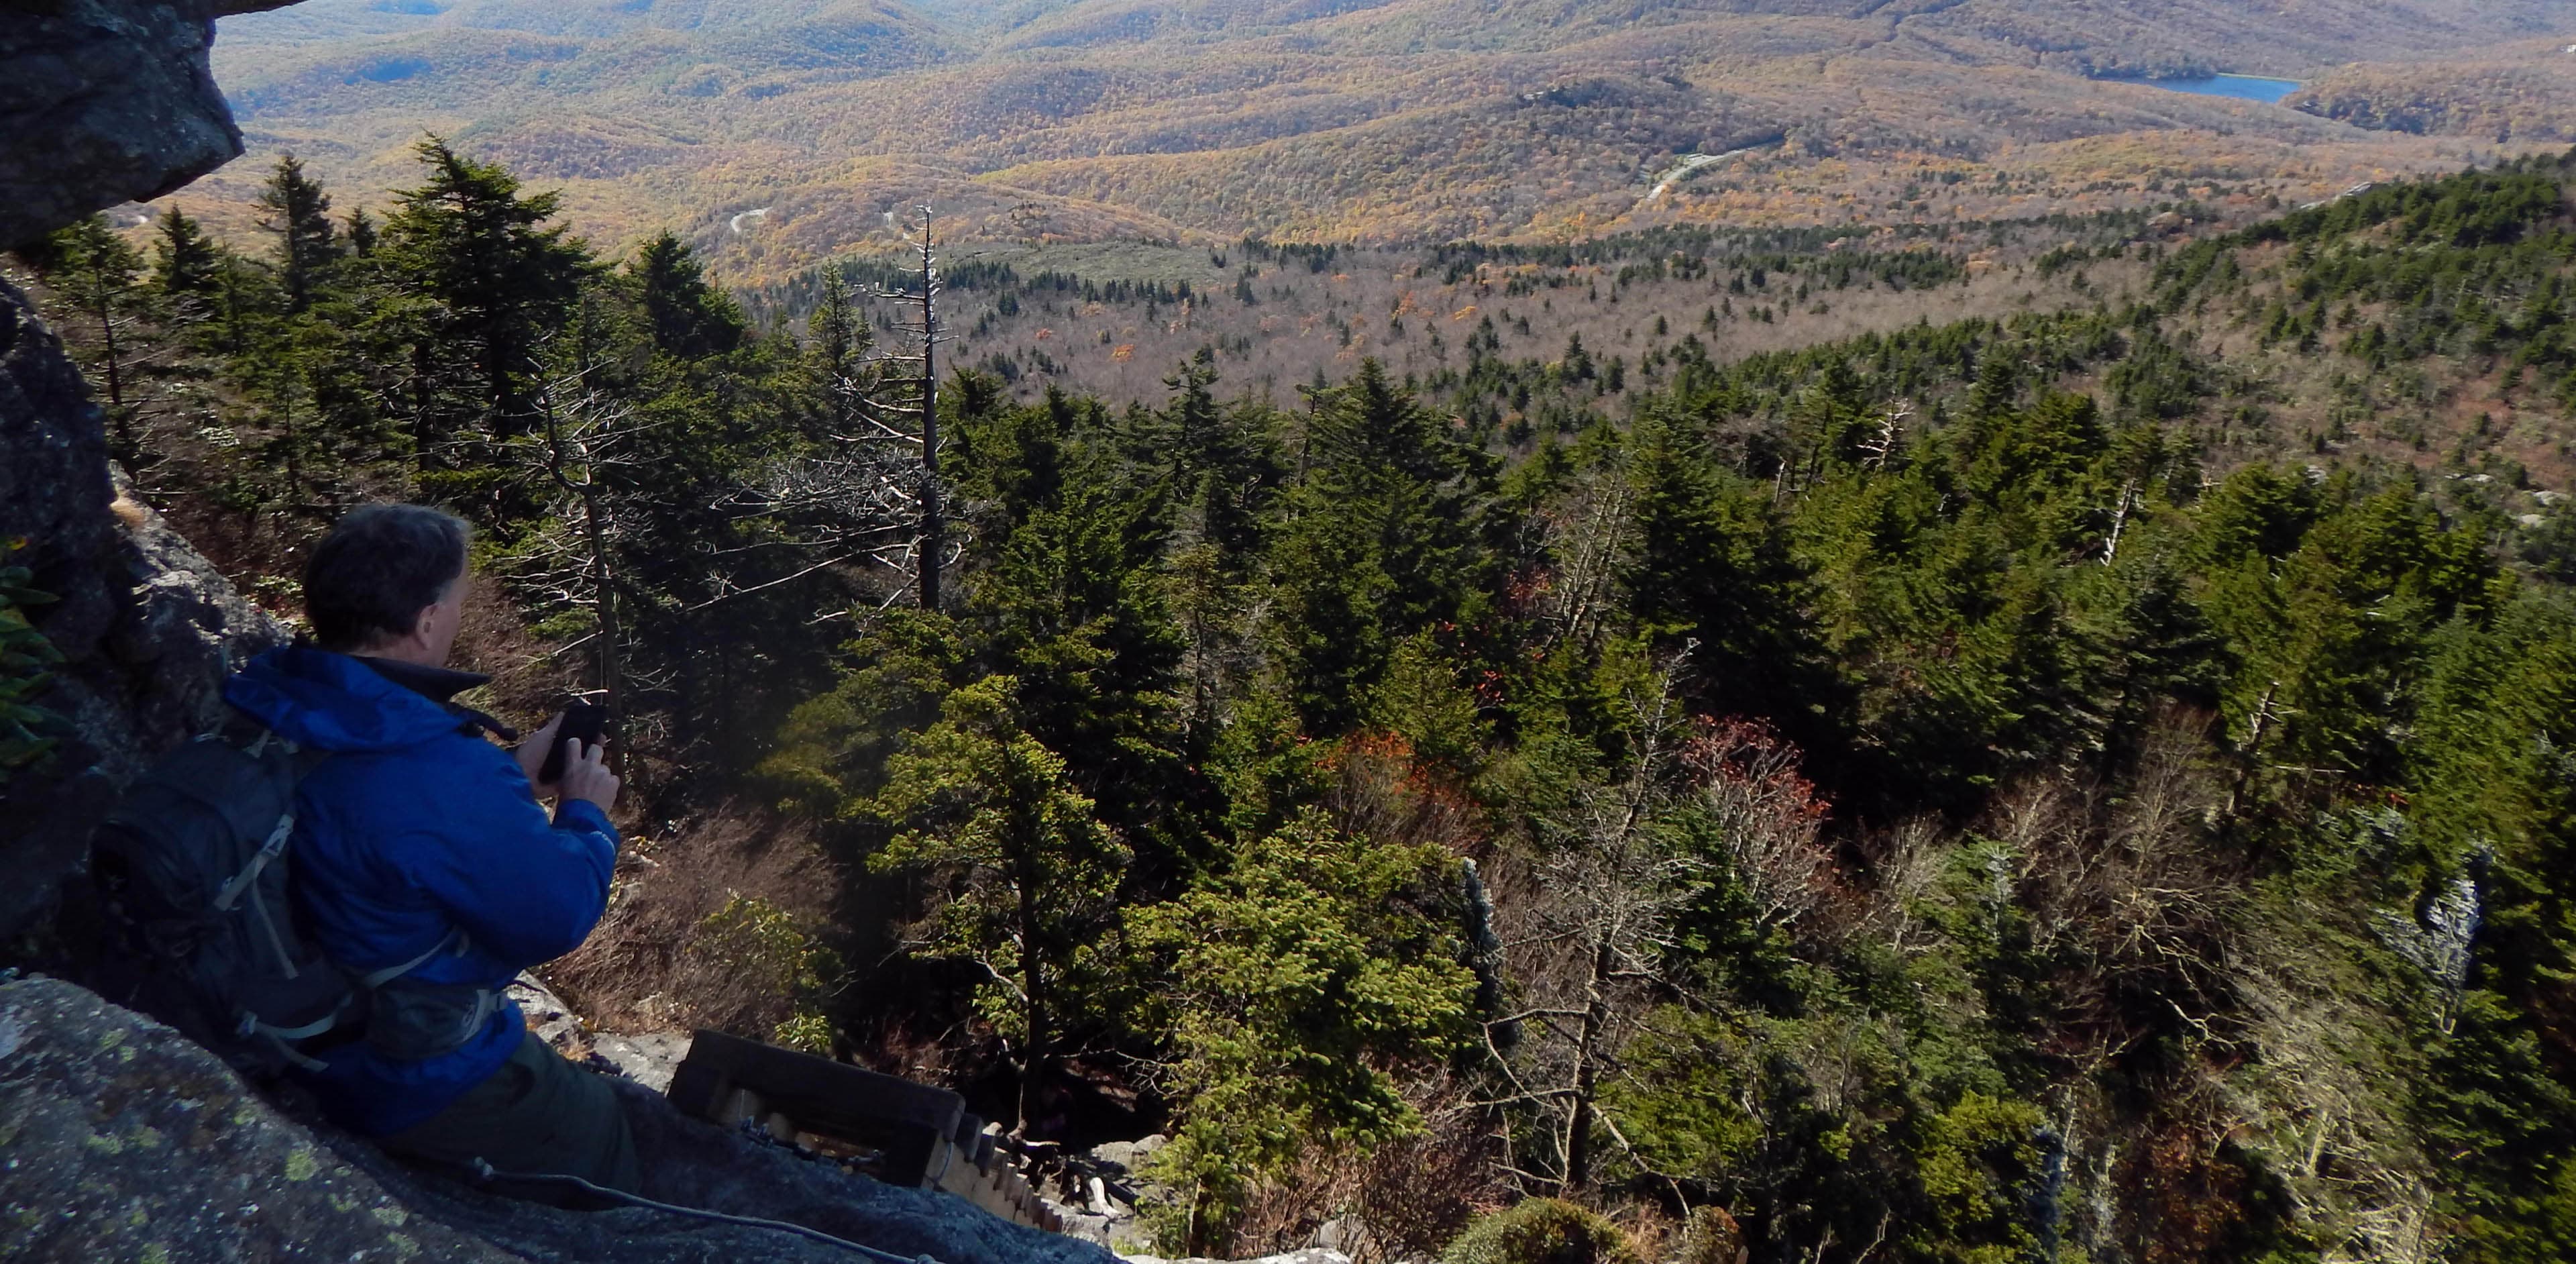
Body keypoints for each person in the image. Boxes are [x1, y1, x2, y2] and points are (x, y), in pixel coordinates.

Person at [223, 503, 639, 1195]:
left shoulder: (269, 690)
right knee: (599, 1126)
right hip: (394, 1067)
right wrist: (584, 813)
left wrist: (505, 778)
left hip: (275, 1016)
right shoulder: (431, 769)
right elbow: (555, 914)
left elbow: (386, 825)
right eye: (454, 602)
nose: (456, 616)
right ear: (424, 623)